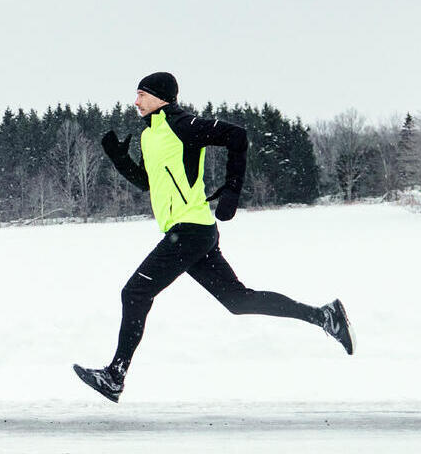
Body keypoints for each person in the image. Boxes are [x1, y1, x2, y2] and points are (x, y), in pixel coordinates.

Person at [74, 70, 353, 403]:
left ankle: (115, 375)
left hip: (190, 231)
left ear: (161, 97)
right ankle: (325, 316)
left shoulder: (183, 126)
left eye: (142, 95)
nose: (136, 101)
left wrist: (232, 191)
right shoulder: (151, 136)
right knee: (238, 301)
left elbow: (237, 136)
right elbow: (147, 182)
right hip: (192, 232)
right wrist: (119, 158)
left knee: (134, 293)